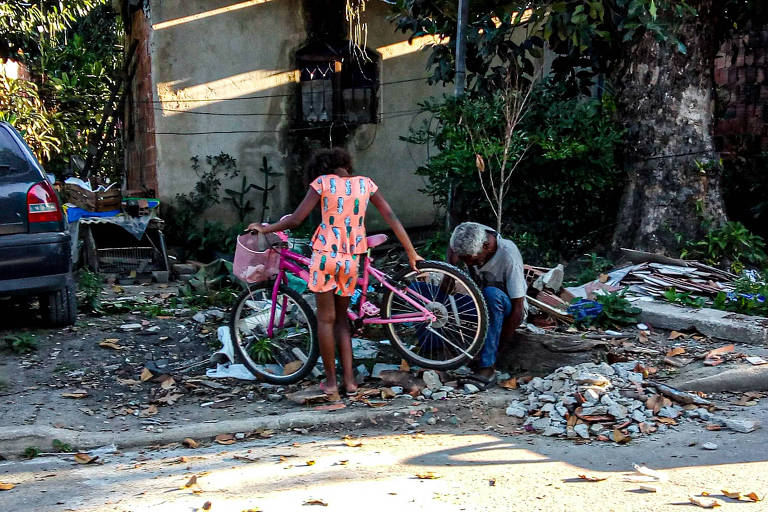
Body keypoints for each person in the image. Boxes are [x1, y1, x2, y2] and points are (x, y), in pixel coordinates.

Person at [248, 148, 422, 399]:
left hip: (325, 257)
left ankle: (331, 383)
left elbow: (296, 220)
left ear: (321, 169)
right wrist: (411, 252)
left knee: (325, 320)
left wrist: (266, 229)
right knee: (342, 320)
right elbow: (390, 216)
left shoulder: (322, 183)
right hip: (352, 260)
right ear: (346, 165)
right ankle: (350, 382)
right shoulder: (366, 184)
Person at [447, 222, 527, 387]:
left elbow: (518, 309)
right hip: (480, 304)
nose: (470, 265)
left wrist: (495, 349)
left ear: (487, 246)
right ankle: (435, 358)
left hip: (506, 308)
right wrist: (450, 269)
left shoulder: (508, 255)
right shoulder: (467, 232)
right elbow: (453, 249)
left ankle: (487, 368)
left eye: (473, 260)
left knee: (492, 294)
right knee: (426, 291)